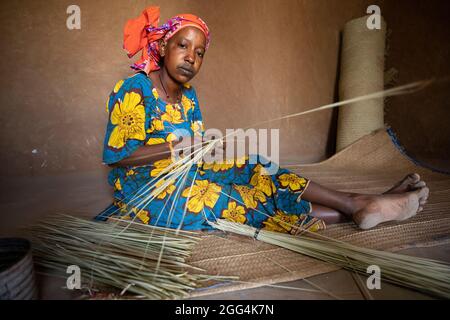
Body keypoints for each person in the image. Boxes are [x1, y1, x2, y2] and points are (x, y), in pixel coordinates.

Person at [96, 6, 429, 234]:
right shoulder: (133, 89)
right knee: (232, 200)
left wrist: (207, 147)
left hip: (188, 174)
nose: (191, 58)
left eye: (199, 53)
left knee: (256, 166)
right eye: (183, 46)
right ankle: (362, 207)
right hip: (146, 190)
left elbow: (194, 153)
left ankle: (356, 202)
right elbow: (118, 157)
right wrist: (181, 146)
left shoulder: (190, 95)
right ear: (164, 45)